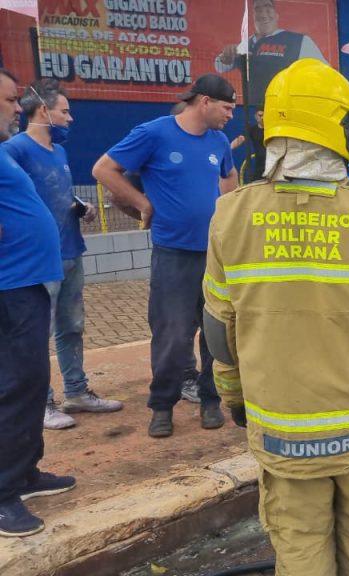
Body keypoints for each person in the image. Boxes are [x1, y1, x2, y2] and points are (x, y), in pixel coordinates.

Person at [203, 58, 349, 575]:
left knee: (300, 546)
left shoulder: (230, 215)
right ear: (344, 128)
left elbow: (220, 328)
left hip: (281, 430)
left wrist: (233, 397)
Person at [92, 74, 239, 438]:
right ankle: (162, 405)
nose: (230, 115)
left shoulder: (219, 141)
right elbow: (103, 169)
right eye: (226, 107)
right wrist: (142, 203)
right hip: (173, 254)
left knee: (215, 333)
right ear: (204, 102)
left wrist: (227, 213)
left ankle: (210, 401)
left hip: (214, 254)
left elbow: (229, 176)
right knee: (171, 336)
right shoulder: (154, 133)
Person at [4, 79, 123, 430]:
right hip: (38, 261)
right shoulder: (15, 149)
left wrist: (79, 205)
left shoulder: (58, 151)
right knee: (35, 334)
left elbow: (54, 192)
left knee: (72, 325)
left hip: (70, 249)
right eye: (65, 111)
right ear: (44, 111)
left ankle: (76, 391)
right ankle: (41, 403)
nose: (70, 119)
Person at [0, 67, 77, 538]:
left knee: (30, 381)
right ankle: (3, 492)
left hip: (25, 283)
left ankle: (25, 472)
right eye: (10, 100)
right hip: (8, 287)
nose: (17, 108)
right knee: (13, 385)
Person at [215, 0, 327, 107]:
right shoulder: (246, 44)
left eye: (268, 8)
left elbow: (325, 73)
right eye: (258, 10)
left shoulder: (299, 41)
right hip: (252, 112)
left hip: (285, 110)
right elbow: (220, 66)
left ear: (277, 14)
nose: (263, 14)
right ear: (253, 15)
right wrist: (225, 57)